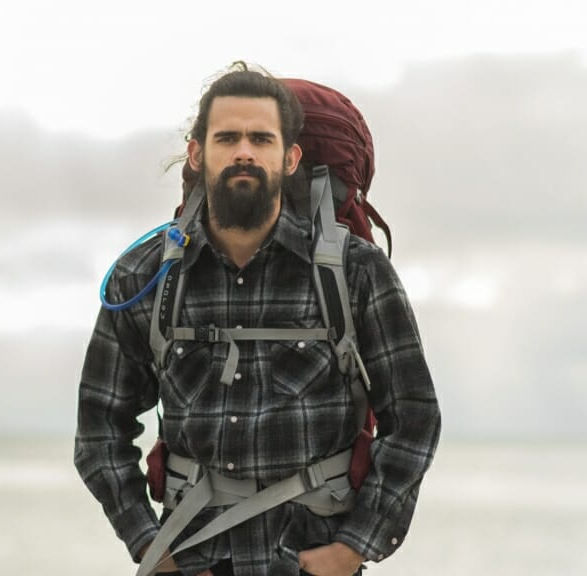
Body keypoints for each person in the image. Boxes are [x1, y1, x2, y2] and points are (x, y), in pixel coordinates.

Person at [74, 62, 441, 576]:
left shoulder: (355, 271)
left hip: (313, 559)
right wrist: (150, 546)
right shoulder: (145, 277)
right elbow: (98, 430)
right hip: (192, 557)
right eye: (227, 137)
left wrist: (356, 546)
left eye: (260, 138)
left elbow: (415, 416)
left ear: (289, 157)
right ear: (198, 154)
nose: (244, 151)